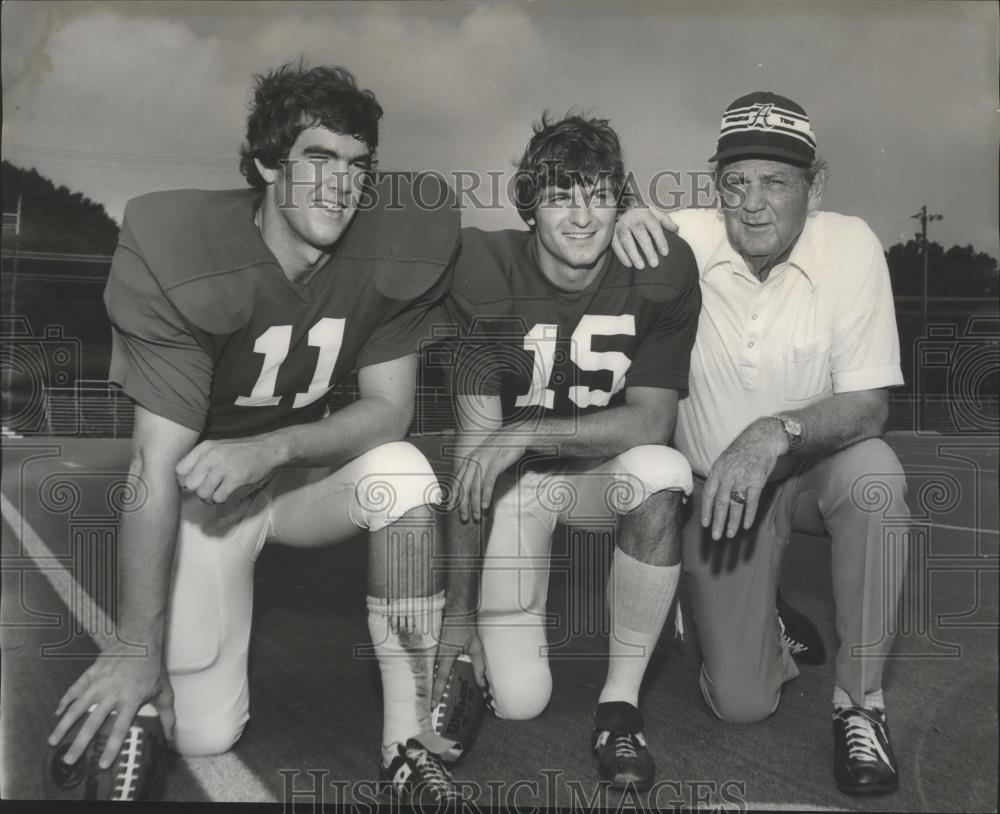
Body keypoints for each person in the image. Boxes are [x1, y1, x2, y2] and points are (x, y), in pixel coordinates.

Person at [46, 63, 464, 804]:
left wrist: (276, 447)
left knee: (404, 473)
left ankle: (407, 744)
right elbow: (154, 463)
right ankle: (139, 694)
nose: (342, 183)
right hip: (207, 497)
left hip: (298, 481)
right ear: (268, 163)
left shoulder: (395, 246)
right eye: (317, 158)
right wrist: (135, 647)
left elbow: (388, 411)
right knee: (204, 733)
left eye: (357, 164)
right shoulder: (180, 246)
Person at [613, 91, 910, 795]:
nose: (752, 203)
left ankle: (861, 702)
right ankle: (765, 619)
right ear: (717, 187)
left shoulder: (851, 245)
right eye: (736, 182)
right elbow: (598, 223)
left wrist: (773, 431)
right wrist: (621, 211)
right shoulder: (685, 237)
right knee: (740, 705)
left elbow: (869, 406)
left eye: (776, 182)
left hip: (809, 472)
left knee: (876, 477)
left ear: (817, 186)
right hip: (720, 498)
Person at [431, 113, 700, 790]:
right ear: (530, 205)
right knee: (521, 701)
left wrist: (526, 432)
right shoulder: (480, 273)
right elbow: (475, 456)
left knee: (662, 471)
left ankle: (621, 707)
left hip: (602, 473)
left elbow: (653, 420)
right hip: (520, 489)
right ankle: (488, 641)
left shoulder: (659, 267)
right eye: (560, 195)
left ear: (621, 200)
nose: (582, 216)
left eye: (599, 194)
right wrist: (456, 620)